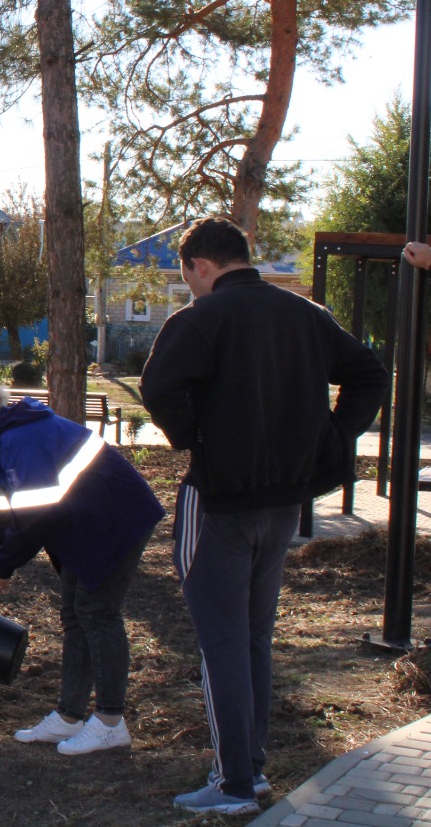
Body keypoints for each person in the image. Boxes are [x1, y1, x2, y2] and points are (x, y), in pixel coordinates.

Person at [140, 216, 389, 816]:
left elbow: (158, 387)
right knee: (253, 637)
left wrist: (195, 438)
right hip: (283, 502)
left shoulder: (201, 319)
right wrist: (331, 439)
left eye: (187, 274)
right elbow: (370, 373)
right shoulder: (304, 314)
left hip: (220, 501)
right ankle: (249, 769)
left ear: (201, 264)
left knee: (221, 642)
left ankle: (234, 784)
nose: (190, 285)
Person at [0, 381, 164, 756]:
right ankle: (69, 716)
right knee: (74, 614)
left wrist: (3, 567)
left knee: (97, 613)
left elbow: (36, 516)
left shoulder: (20, 439)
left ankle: (110, 723)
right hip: (83, 525)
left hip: (116, 520)